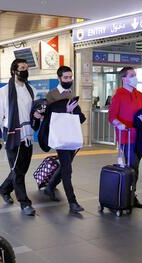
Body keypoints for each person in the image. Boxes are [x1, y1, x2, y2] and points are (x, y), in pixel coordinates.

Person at [0, 58, 37, 216]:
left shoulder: (30, 90)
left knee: (21, 168)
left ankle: (4, 189)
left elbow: (32, 111)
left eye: (26, 68)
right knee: (18, 170)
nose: (25, 71)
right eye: (22, 68)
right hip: (12, 134)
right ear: (14, 71)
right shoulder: (3, 92)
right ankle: (24, 203)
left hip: (28, 134)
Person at [42, 66, 85, 213]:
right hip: (60, 136)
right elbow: (48, 117)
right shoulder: (52, 95)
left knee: (66, 165)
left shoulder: (71, 93)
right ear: (59, 78)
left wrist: (75, 112)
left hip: (71, 134)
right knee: (67, 168)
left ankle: (49, 186)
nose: (69, 80)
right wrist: (65, 110)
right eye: (66, 78)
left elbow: (74, 113)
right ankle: (72, 202)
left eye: (70, 77)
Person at [108, 67, 142, 209]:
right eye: (132, 75)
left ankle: (131, 194)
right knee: (132, 166)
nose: (134, 78)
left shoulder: (140, 95)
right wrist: (119, 124)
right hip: (127, 137)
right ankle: (129, 196)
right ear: (124, 78)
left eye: (135, 75)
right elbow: (112, 116)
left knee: (136, 168)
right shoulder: (118, 96)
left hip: (139, 136)